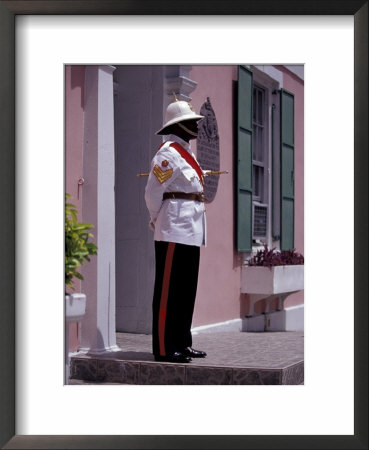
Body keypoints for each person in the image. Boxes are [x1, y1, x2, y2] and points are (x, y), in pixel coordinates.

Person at [144, 97, 208, 363]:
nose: (196, 124)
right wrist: (156, 219)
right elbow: (152, 192)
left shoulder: (188, 153)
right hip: (172, 226)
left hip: (192, 226)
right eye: (191, 121)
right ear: (178, 126)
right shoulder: (167, 154)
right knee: (168, 290)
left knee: (185, 289)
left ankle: (182, 341)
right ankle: (164, 347)